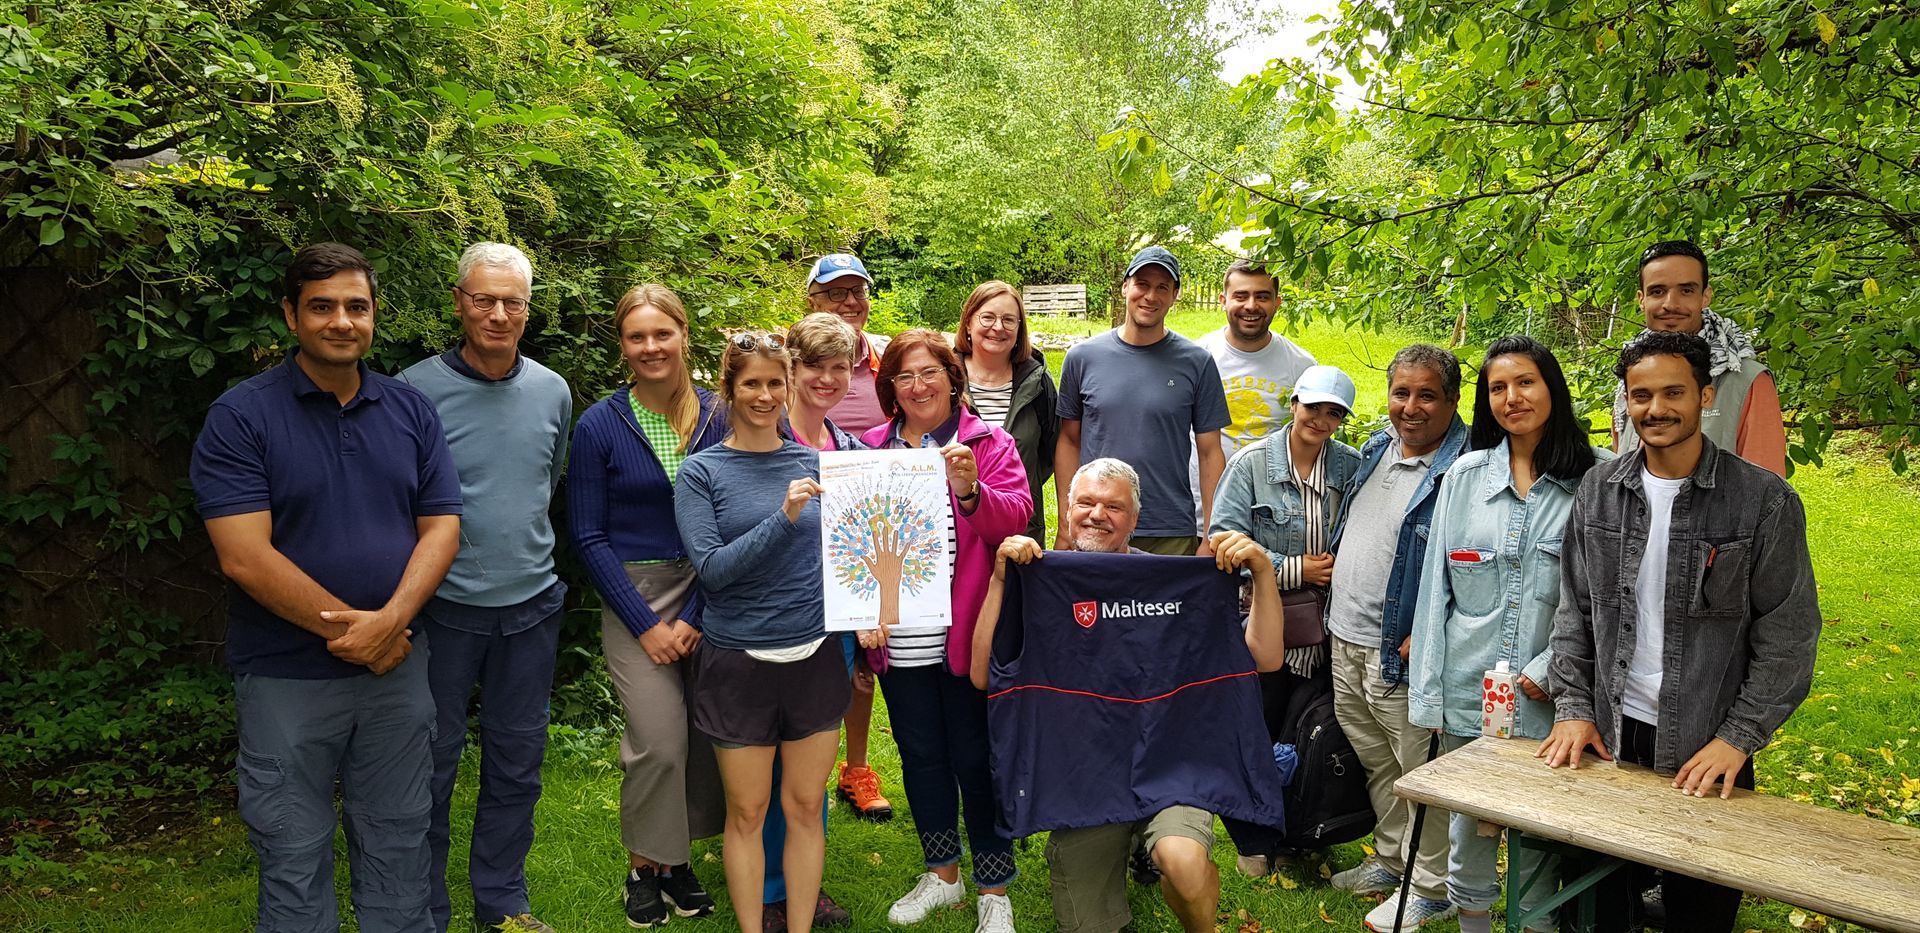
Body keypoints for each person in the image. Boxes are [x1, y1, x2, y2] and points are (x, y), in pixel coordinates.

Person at [191, 242, 462, 933]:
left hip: (398, 667)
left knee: (402, 842)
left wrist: (391, 620)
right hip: (287, 677)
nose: (341, 321)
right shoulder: (241, 417)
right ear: (290, 315)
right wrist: (354, 632)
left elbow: (442, 529)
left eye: (356, 306)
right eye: (322, 306)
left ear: (373, 316)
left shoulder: (411, 411)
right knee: (291, 850)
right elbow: (245, 557)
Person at [1539, 331, 1822, 933]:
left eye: (1673, 392)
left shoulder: (1762, 502)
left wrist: (1738, 739)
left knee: (1700, 914)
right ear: (1626, 401)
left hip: (1708, 746)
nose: (1656, 409)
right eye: (1641, 395)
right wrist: (1571, 707)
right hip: (1611, 739)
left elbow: (1789, 636)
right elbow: (1575, 611)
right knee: (1597, 908)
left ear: (1706, 396)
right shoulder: (1600, 490)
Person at [968, 458, 1289, 933]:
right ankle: (1129, 852)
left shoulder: (1171, 585)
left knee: (1181, 860)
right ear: (1066, 509)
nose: (1098, 514)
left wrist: (1262, 573)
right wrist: (1000, 579)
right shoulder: (1039, 577)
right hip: (1084, 781)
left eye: (1114, 507)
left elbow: (1264, 658)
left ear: (1135, 520)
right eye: (1086, 502)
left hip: (1170, 766)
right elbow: (981, 675)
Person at [397, 243, 572, 933]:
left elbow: (544, 482)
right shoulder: (413, 390)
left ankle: (502, 903)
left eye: (514, 302)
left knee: (517, 762)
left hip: (530, 610)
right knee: (429, 766)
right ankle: (426, 910)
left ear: (529, 309)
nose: (499, 314)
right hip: (442, 613)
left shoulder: (553, 389)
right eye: (484, 299)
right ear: (459, 301)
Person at [1407, 336, 1609, 933]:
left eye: (1526, 382)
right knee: (1468, 833)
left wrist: (1550, 670)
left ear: (1553, 389)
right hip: (1471, 693)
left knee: (1538, 834)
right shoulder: (1464, 478)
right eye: (1498, 387)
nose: (1512, 397)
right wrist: (1431, 696)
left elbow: (1607, 599)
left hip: (1555, 701)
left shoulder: (1596, 479)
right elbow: (1433, 595)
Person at [858, 329, 1033, 933]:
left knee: (975, 758)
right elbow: (853, 543)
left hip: (967, 636)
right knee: (921, 756)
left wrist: (970, 489)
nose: (917, 386)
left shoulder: (987, 442)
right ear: (890, 388)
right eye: (904, 376)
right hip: (899, 637)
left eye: (930, 373)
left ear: (953, 378)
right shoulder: (871, 452)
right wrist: (862, 610)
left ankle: (993, 888)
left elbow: (1018, 518)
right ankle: (942, 875)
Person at [675, 332, 849, 933]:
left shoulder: (816, 464)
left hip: (817, 656)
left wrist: (873, 606)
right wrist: (784, 517)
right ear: (729, 388)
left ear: (790, 384)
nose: (765, 394)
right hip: (739, 663)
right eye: (752, 382)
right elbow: (714, 571)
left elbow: (845, 558)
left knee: (804, 807)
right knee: (747, 813)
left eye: (776, 382)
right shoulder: (701, 473)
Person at [568, 284, 725, 927]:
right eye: (638, 337)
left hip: (715, 588)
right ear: (623, 345)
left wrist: (694, 616)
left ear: (685, 335)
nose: (652, 347)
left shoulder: (720, 415)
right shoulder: (601, 424)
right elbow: (586, 532)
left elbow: (738, 518)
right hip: (635, 592)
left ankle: (677, 861)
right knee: (658, 740)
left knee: (708, 736)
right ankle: (643, 866)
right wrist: (647, 625)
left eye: (663, 333)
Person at [1322, 346, 1471, 925]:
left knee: (1422, 769)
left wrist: (1431, 630)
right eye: (1400, 393)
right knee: (1378, 760)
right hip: (1347, 636)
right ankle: (1392, 859)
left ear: (1453, 400)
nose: (1410, 407)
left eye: (1426, 394)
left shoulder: (1464, 469)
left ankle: (1432, 886)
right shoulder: (1377, 448)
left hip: (1403, 648)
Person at [1207, 363, 1364, 876]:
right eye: (1314, 406)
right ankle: (1255, 839)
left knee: (1308, 733)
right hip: (1264, 626)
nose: (1321, 419)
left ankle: (1303, 828)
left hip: (1327, 632)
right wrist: (1294, 569)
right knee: (1256, 731)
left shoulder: (1351, 467)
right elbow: (1221, 543)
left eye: (1334, 412)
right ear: (1293, 403)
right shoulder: (1252, 465)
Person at [755, 312, 863, 931]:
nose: (826, 378)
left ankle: (803, 885)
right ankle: (769, 886)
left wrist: (874, 612)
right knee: (767, 761)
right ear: (791, 366)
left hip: (834, 627)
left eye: (839, 366)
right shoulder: (760, 443)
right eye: (814, 365)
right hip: (770, 627)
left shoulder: (848, 451)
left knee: (811, 767)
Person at [1055, 246, 1230, 555]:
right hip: (1097, 524)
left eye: (1162, 287)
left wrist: (1210, 534)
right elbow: (1069, 441)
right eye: (1142, 284)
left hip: (1170, 528)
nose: (1151, 296)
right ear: (1125, 287)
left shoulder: (1197, 363)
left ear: (1175, 295)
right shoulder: (1082, 358)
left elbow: (1210, 452)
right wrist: (1066, 522)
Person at [804, 252, 895, 827]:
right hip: (807, 513)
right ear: (813, 300)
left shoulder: (885, 354)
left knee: (864, 650)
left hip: (870, 512)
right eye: (836, 292)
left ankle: (855, 768)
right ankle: (807, 768)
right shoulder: (801, 354)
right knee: (815, 657)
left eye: (857, 291)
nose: (849, 302)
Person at [1614, 239, 1786, 476]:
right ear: (1641, 299)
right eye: (1657, 291)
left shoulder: (1746, 381)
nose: (1670, 304)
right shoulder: (1631, 373)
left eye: (1686, 290)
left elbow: (1768, 494)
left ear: (1705, 296)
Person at [1188, 258, 1317, 528]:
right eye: (1241, 296)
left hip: (1275, 516)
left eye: (1262, 296)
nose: (1251, 306)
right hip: (1201, 512)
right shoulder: (1196, 358)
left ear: (1277, 302)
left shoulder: (1301, 366)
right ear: (1223, 300)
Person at [954, 281, 1058, 542]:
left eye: (1009, 320)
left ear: (1019, 329)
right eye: (987, 317)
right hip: (959, 529)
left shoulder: (1037, 383)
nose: (998, 327)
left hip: (1021, 529)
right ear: (968, 323)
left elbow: (1050, 453)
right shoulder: (946, 379)